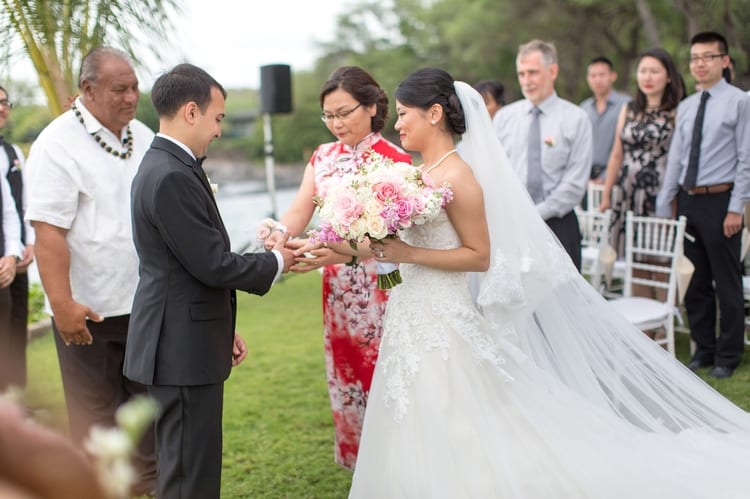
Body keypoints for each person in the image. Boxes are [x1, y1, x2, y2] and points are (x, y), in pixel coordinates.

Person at [348, 67, 750, 498]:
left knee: (456, 410)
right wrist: (353, 243)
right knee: (418, 412)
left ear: (433, 114)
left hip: (444, 318)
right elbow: (393, 246)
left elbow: (478, 256)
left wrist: (408, 254)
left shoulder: (459, 177)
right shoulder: (413, 177)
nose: (398, 123)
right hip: (411, 311)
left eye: (405, 113)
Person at [125, 63, 295, 499]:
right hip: (178, 349)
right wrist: (276, 261)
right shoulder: (169, 175)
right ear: (190, 112)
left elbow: (186, 269)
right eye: (218, 118)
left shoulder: (169, 165)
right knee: (189, 476)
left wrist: (222, 327)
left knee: (189, 466)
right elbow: (212, 264)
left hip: (186, 337)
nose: (220, 130)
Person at [264, 66, 411, 470]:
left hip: (385, 282)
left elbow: (394, 240)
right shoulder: (323, 157)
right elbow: (298, 211)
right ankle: (366, 469)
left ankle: (399, 464)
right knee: (347, 373)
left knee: (385, 372)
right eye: (328, 115)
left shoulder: (396, 161)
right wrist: (278, 232)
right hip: (338, 286)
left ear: (371, 106)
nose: (336, 123)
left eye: (344, 112)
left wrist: (341, 252)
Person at [23, 47, 156, 494]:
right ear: (88, 89)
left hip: (145, 306)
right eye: (120, 88)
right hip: (89, 313)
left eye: (135, 87)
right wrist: (61, 305)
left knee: (148, 421)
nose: (131, 97)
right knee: (97, 424)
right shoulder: (56, 144)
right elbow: (48, 233)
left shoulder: (143, 135)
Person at [657, 31, 750, 379]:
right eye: (694, 57)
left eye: (707, 57)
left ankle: (728, 355)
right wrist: (666, 206)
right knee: (694, 281)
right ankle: (703, 350)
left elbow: (746, 158)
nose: (699, 63)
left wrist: (736, 208)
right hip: (689, 203)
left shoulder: (740, 101)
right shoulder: (687, 106)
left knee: (726, 283)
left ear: (724, 61)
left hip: (722, 201)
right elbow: (676, 161)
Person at [494, 39, 591, 270]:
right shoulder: (504, 118)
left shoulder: (576, 119)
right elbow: (495, 171)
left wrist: (535, 214)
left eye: (533, 73)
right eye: (521, 74)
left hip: (558, 223)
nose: (526, 81)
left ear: (553, 71)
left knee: (564, 300)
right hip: (512, 224)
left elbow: (574, 183)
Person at [600, 48, 685, 261]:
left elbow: (679, 158)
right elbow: (616, 155)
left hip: (659, 193)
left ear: (668, 77)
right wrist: (606, 194)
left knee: (659, 260)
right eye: (643, 70)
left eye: (654, 71)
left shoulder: (678, 110)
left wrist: (672, 200)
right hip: (626, 190)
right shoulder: (628, 108)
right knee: (632, 261)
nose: (647, 77)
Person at [0, 85, 34, 391]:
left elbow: (20, 204)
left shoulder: (12, 153)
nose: (1, 109)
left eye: (4, 103)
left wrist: (24, 245)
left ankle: (15, 399)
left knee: (15, 329)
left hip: (15, 255)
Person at [580, 56, 631, 183]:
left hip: (618, 177)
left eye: (602, 75)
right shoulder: (583, 108)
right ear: (588, 79)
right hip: (586, 179)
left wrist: (605, 177)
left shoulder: (626, 105)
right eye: (593, 76)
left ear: (613, 76)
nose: (597, 80)